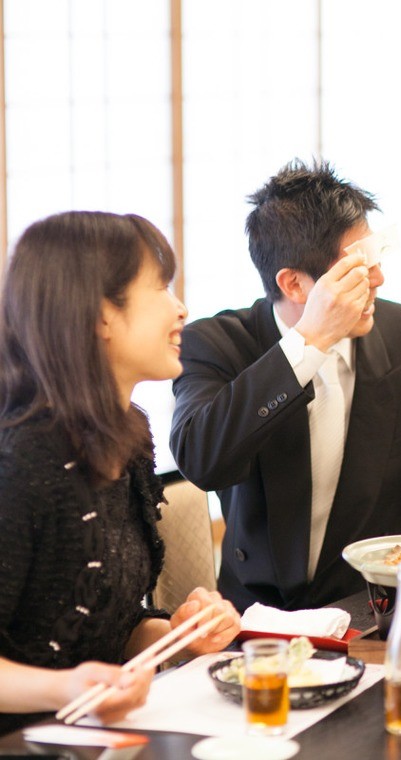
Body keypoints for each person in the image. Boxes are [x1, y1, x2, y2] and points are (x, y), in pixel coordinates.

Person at [171, 160, 401, 612]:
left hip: (377, 608)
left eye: (375, 259)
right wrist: (310, 342)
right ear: (293, 283)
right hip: (258, 618)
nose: (378, 279)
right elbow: (203, 460)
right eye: (357, 269)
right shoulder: (216, 344)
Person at [0, 211, 240, 732]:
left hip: (98, 731)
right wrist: (63, 687)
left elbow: (107, 623)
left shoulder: (127, 434)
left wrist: (175, 633)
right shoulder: (21, 463)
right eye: (160, 289)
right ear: (100, 316)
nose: (181, 310)